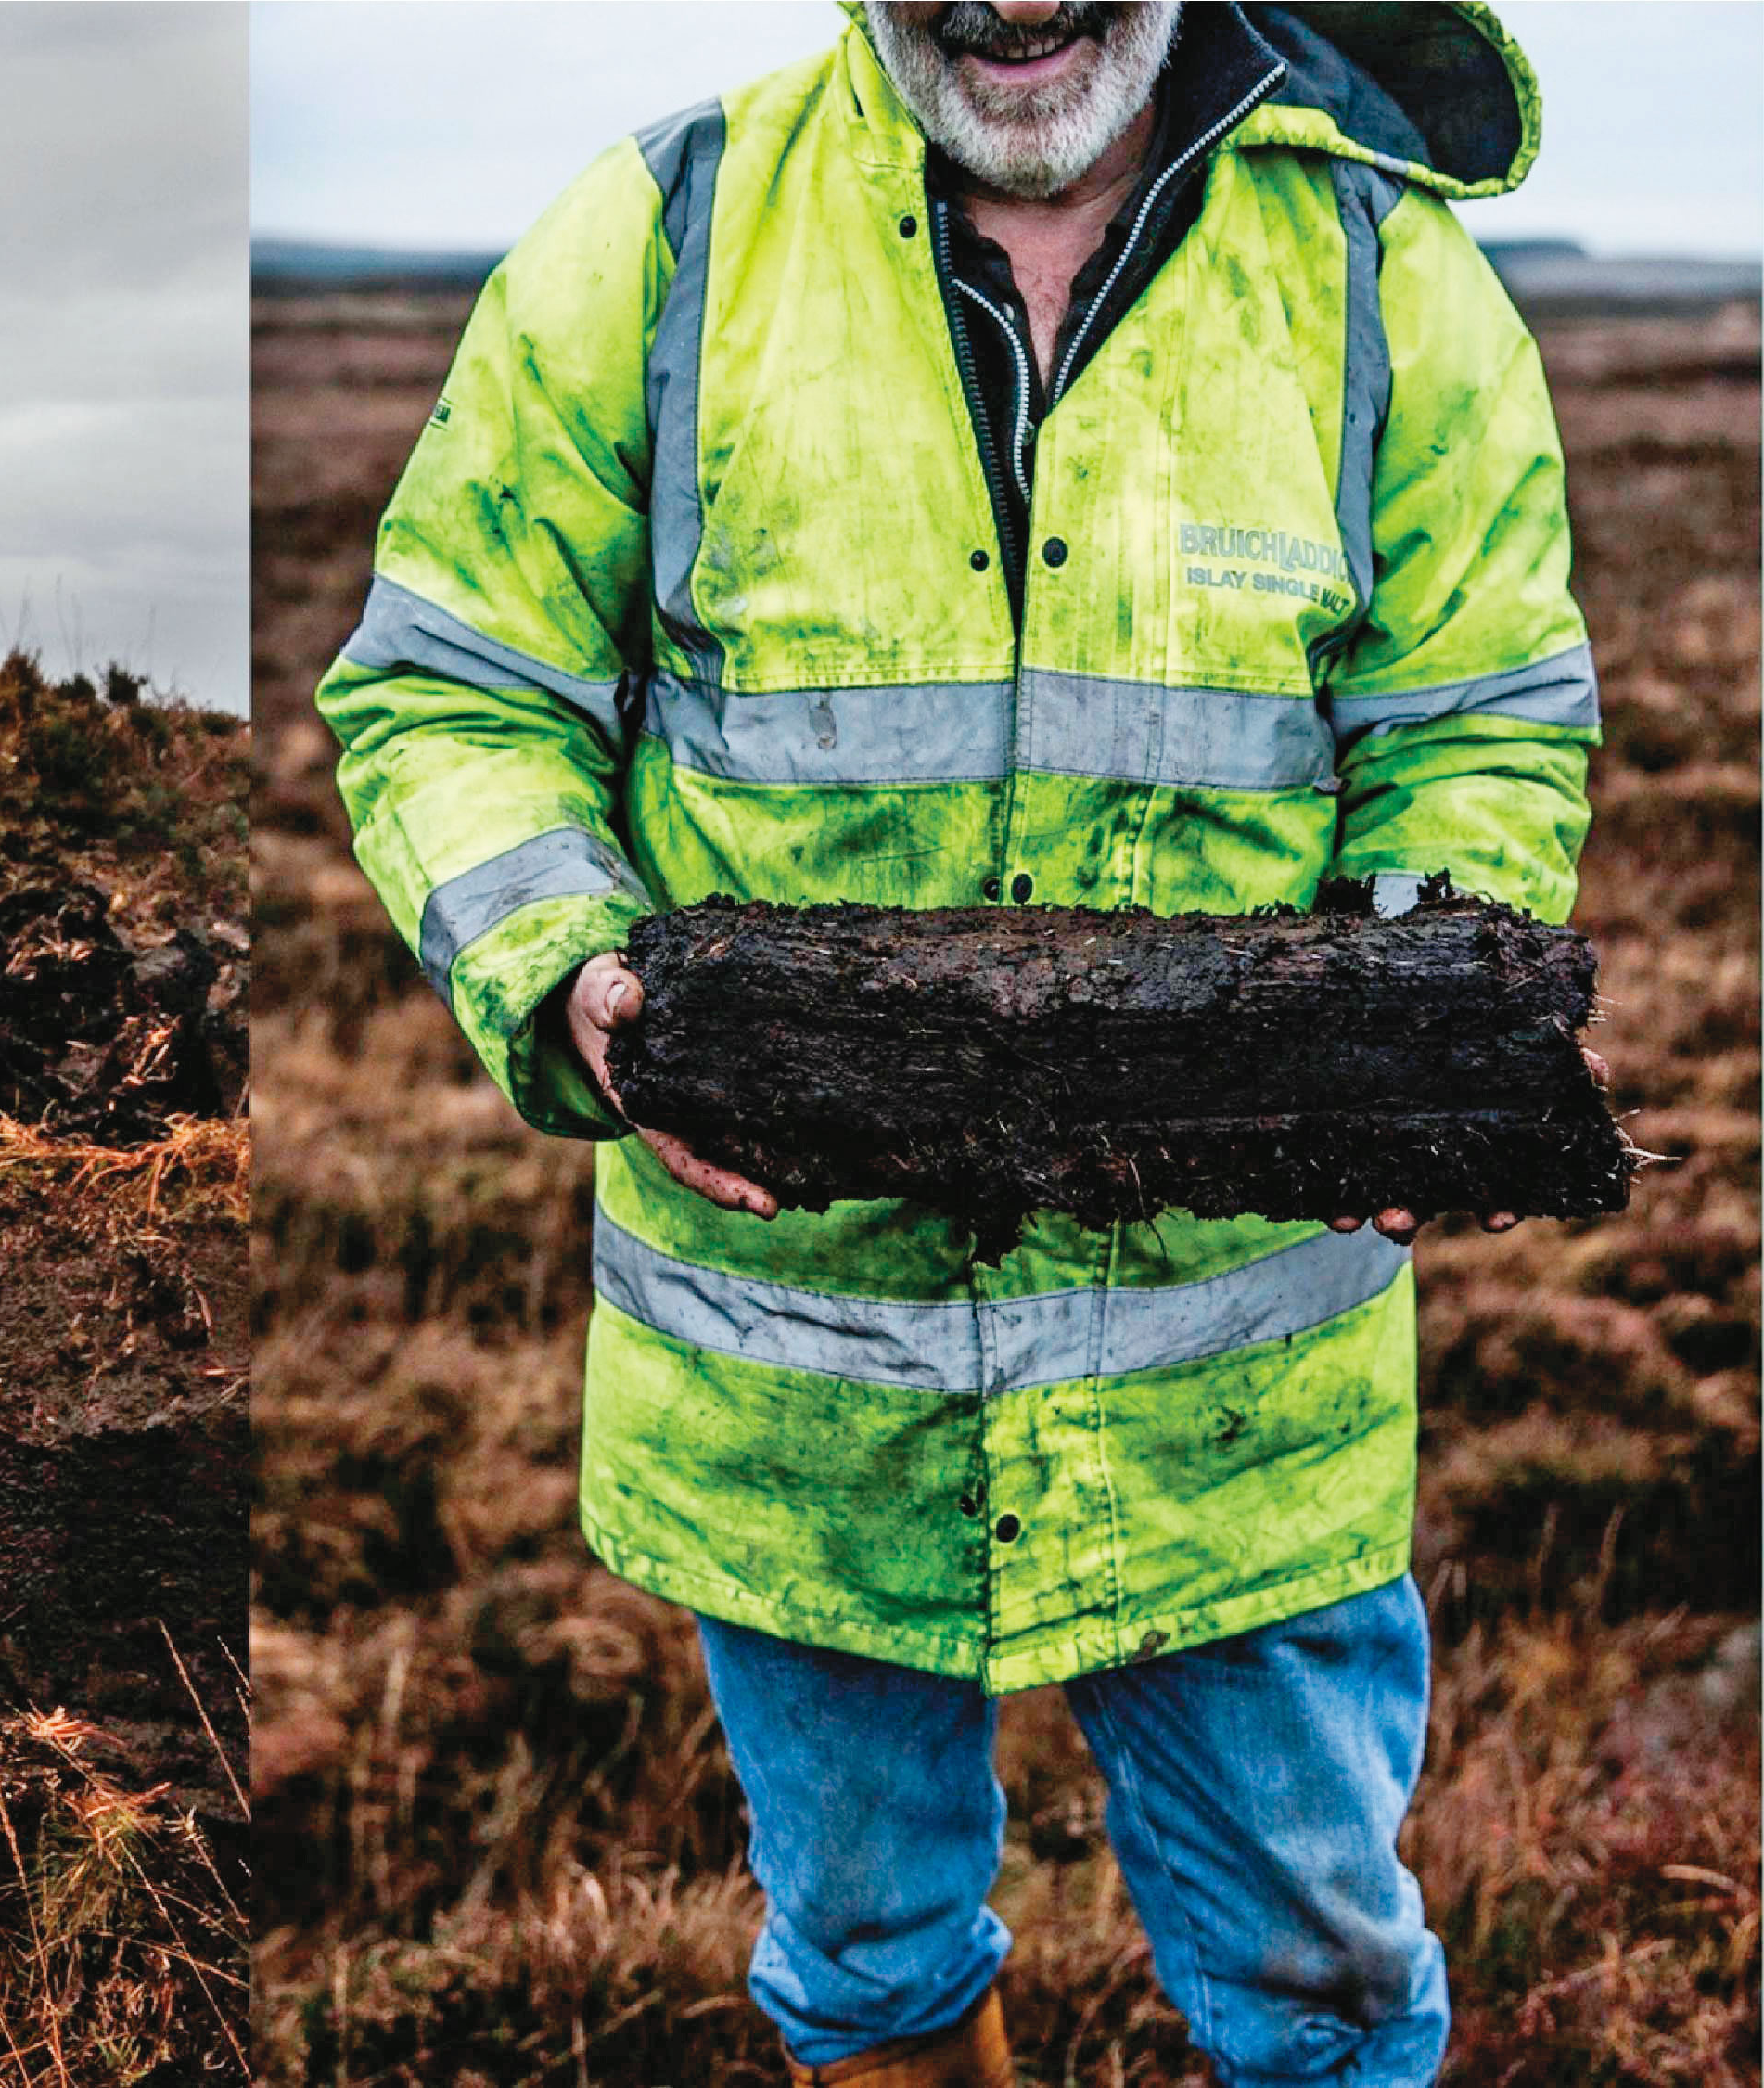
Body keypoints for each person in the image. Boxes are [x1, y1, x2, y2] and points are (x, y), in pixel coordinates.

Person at [316, 4, 1594, 2081]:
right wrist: (564, 964)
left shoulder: (1383, 271)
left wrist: (1407, 1007)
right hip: (798, 1387)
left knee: (1323, 1986)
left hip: (1227, 1401)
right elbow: (453, 689)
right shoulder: (662, 235)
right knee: (868, 1959)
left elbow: (1475, 721)